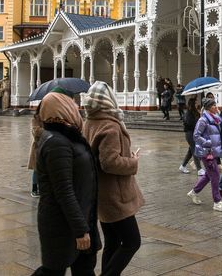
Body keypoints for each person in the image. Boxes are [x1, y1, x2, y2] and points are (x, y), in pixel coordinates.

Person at [34, 91, 100, 276]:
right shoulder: (57, 142)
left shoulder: (68, 136)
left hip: (80, 218)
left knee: (83, 269)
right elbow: (64, 191)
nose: (76, 108)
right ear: (62, 110)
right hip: (63, 225)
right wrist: (80, 230)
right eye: (70, 105)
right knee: (53, 271)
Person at [82, 81, 144, 276]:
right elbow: (109, 162)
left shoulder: (90, 121)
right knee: (132, 242)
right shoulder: (110, 126)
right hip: (115, 197)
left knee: (113, 241)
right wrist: (132, 162)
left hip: (101, 193)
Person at [187, 97, 222, 212]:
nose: (216, 107)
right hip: (206, 152)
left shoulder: (215, 119)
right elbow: (196, 136)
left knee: (208, 175)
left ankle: (194, 192)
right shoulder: (203, 120)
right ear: (208, 107)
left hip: (213, 151)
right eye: (214, 105)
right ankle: (217, 201)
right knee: (215, 175)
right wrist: (208, 143)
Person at [179, 97, 204, 175]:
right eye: (195, 103)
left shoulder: (196, 112)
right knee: (194, 150)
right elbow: (189, 124)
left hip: (195, 133)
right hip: (190, 133)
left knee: (190, 151)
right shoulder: (188, 113)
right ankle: (199, 169)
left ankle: (183, 166)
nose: (197, 104)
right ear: (192, 104)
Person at [27, 105, 43, 197]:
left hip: (46, 145)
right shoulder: (35, 119)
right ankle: (34, 189)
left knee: (43, 168)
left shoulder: (47, 118)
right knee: (36, 169)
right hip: (37, 146)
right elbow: (36, 132)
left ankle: (42, 188)